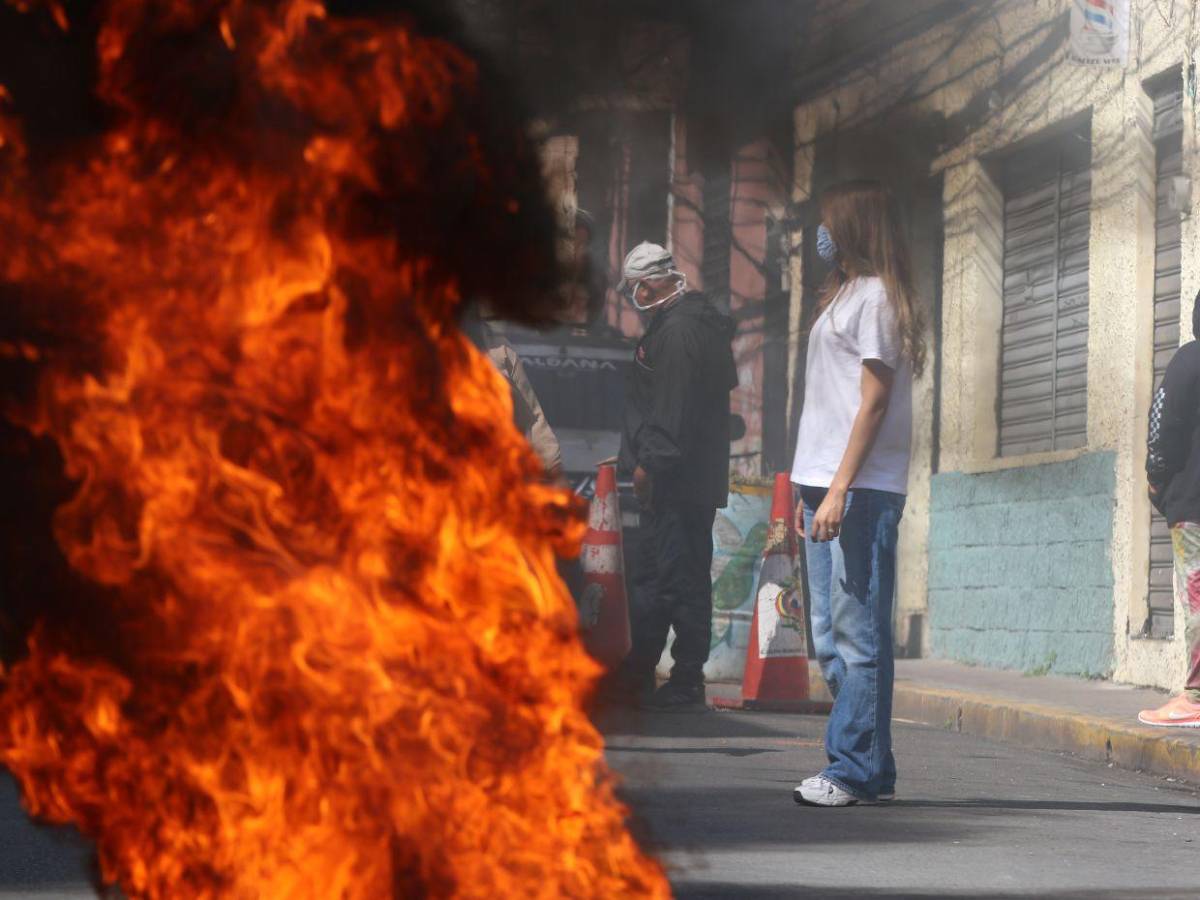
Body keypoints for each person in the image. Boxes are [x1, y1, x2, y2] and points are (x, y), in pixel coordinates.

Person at [791, 181, 925, 807]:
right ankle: (875, 767)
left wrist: (839, 489)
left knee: (857, 637)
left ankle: (849, 769)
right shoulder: (844, 293)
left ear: (853, 231)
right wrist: (811, 488)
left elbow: (873, 402)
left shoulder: (875, 298)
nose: (818, 237)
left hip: (859, 491)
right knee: (827, 636)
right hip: (822, 485)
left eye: (827, 226)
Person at [605, 242, 737, 711]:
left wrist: (649, 465)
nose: (635, 296)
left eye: (637, 288)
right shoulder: (690, 323)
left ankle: (685, 679)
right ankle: (643, 671)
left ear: (648, 284)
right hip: (687, 477)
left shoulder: (680, 331)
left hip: (676, 480)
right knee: (661, 576)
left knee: (678, 577)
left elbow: (672, 408)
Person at [1140, 291, 1200, 728]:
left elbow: (1162, 427)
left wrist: (1156, 479)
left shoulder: (1189, 360)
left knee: (1197, 596)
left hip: (1194, 505)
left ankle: (1195, 698)